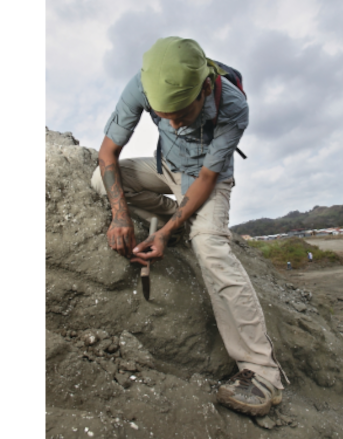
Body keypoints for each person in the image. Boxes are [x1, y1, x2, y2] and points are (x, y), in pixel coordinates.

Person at [91, 37, 287, 417]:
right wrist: (120, 216)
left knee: (209, 246)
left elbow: (207, 178)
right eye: (164, 116)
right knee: (102, 180)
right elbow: (108, 153)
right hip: (165, 168)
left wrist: (164, 233)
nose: (174, 124)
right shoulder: (142, 84)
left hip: (208, 181)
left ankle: (263, 373)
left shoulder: (233, 105)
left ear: (204, 89)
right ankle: (178, 221)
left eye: (182, 115)